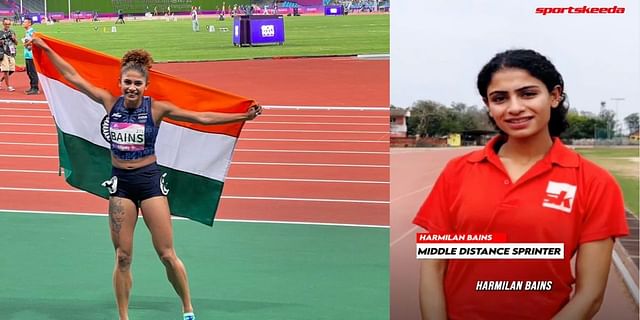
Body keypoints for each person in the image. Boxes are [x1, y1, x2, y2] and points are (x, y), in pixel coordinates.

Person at [32, 37, 262, 320]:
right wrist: (46, 49)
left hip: (150, 184)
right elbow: (72, 76)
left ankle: (187, 308)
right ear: (120, 82)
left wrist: (242, 116)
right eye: (127, 82)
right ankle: (123, 316)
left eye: (137, 83)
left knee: (166, 253)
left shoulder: (157, 109)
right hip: (121, 186)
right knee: (123, 257)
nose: (131, 87)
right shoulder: (109, 101)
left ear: (146, 86)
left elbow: (200, 118)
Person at [414, 49, 629, 320]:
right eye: (500, 98)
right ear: (488, 105)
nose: (514, 107)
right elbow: (432, 267)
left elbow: (590, 296)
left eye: (528, 94)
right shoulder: (457, 171)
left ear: (554, 96)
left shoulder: (595, 183)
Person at [0, 18, 17, 92]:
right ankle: (8, 86)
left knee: (12, 70)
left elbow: (16, 43)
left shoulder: (12, 32)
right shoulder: (0, 32)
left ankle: (1, 80)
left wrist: (14, 39)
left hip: (11, 52)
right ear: (3, 24)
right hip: (3, 53)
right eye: (6, 24)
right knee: (6, 70)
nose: (7, 25)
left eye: (9, 24)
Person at [22, 17, 38, 95]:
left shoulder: (32, 31)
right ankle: (32, 87)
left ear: (29, 23)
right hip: (27, 55)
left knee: (32, 72)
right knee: (29, 72)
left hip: (31, 55)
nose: (23, 23)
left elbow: (36, 39)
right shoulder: (27, 32)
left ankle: (35, 88)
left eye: (25, 22)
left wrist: (27, 43)